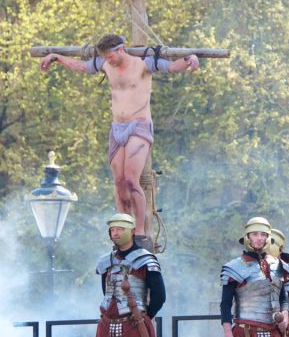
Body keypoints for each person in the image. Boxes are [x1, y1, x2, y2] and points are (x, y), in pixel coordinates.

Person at [39, 34, 199, 242]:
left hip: (138, 126)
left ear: (121, 49)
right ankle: (125, 224)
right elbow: (81, 67)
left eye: (110, 56)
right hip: (117, 127)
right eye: (104, 57)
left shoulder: (144, 63)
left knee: (132, 180)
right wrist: (56, 57)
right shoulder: (106, 65)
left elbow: (171, 66)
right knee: (119, 181)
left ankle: (139, 230)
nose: (108, 60)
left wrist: (190, 59)